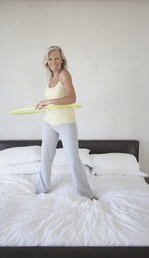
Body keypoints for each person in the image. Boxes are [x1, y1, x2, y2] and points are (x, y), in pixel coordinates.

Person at [36, 46, 93, 199]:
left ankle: (86, 193)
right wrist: (46, 104)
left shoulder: (64, 75)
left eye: (56, 58)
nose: (53, 62)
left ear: (62, 60)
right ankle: (42, 189)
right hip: (49, 122)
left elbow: (72, 98)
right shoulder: (51, 78)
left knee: (73, 158)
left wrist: (48, 101)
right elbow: (54, 101)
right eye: (50, 59)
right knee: (46, 156)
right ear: (47, 62)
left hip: (66, 123)